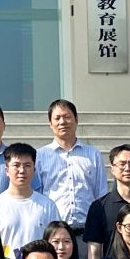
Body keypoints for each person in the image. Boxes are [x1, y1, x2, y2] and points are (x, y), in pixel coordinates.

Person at [36, 98, 107, 231]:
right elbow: (36, 194)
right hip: (53, 230)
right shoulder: (40, 156)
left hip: (87, 229)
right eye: (57, 118)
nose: (62, 122)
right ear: (50, 124)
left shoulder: (93, 154)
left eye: (67, 117)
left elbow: (101, 194)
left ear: (76, 120)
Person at [0, 142, 59, 252]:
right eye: (16, 165)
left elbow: (55, 241)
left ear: (34, 170)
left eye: (27, 165)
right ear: (6, 170)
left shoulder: (48, 206)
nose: (22, 170)